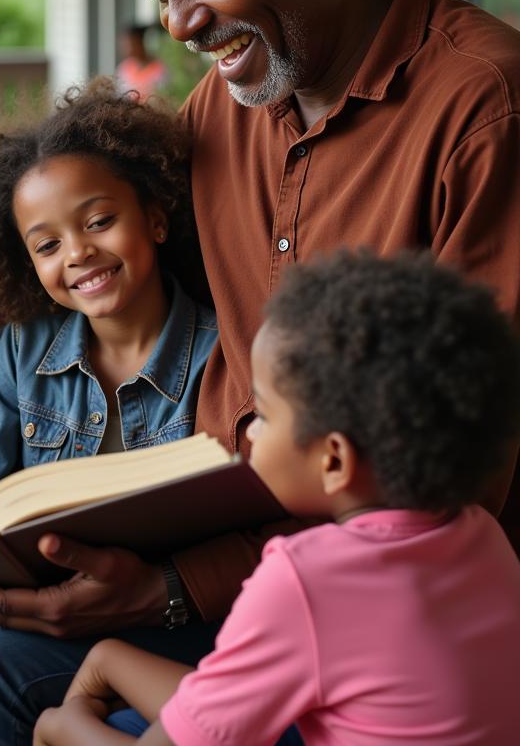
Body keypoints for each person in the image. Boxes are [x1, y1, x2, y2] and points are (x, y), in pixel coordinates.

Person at [0, 0, 520, 746]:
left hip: (362, 602)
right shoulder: (227, 107)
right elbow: (90, 302)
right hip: (210, 553)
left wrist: (179, 589)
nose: (178, 25)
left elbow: (470, 474)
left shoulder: (484, 110)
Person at [34, 251, 520, 745]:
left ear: (333, 460)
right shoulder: (481, 535)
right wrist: (109, 659)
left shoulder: (306, 580)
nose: (251, 434)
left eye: (262, 415)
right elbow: (214, 713)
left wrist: (60, 727)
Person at [0, 78, 219, 744]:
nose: (79, 254)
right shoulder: (29, 345)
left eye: (98, 221)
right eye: (48, 245)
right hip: (44, 586)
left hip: (168, 610)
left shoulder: (220, 354)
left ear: (155, 214)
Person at [116, 24, 168, 100]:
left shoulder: (160, 69)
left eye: (129, 43)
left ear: (140, 42)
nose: (126, 47)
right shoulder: (124, 69)